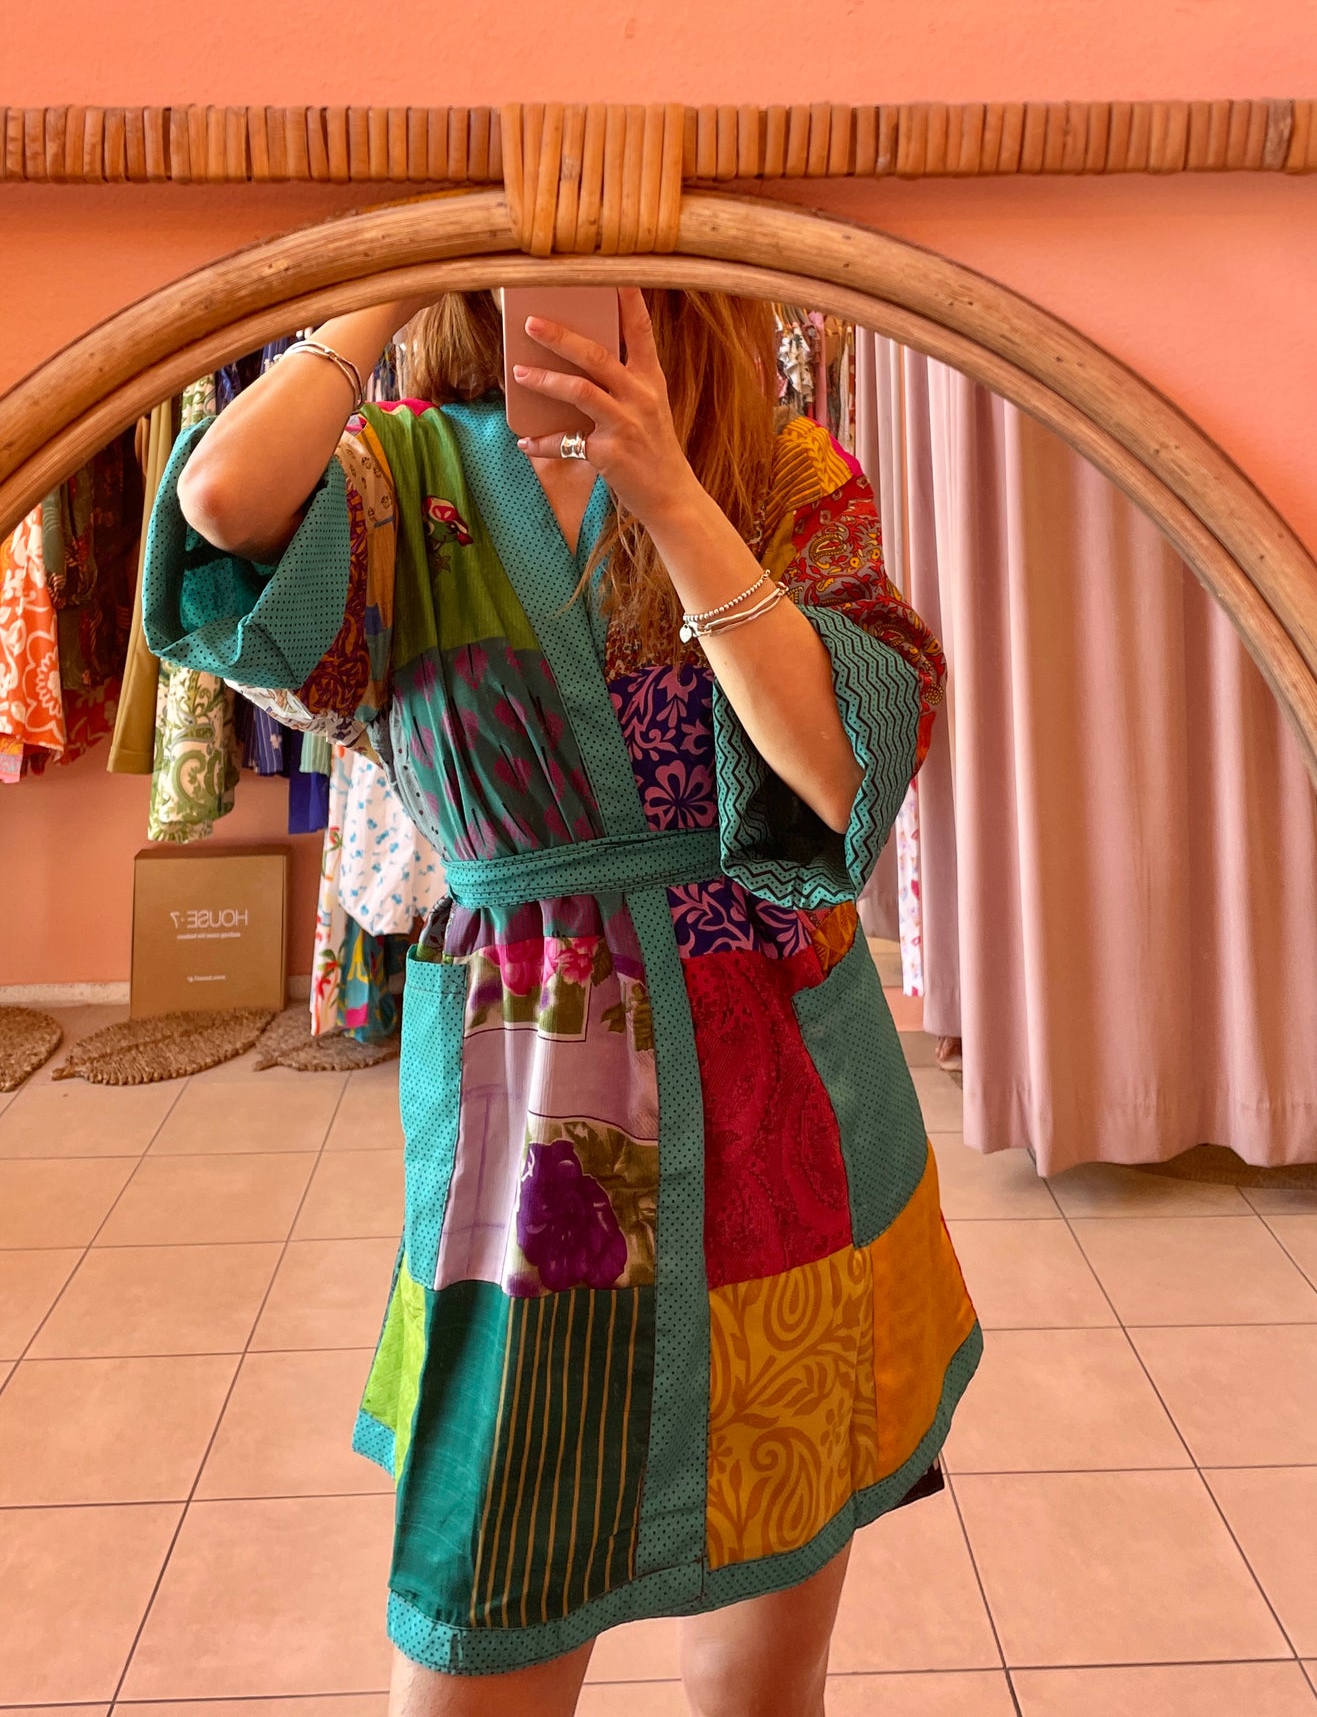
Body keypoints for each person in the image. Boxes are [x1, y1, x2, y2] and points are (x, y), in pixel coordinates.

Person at [144, 285, 981, 1717]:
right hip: (535, 1114)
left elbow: (842, 772)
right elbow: (220, 505)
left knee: (768, 1658)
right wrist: (391, 272)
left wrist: (669, 493)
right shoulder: (396, 474)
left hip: (790, 1090)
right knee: (486, 1590)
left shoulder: (774, 470)